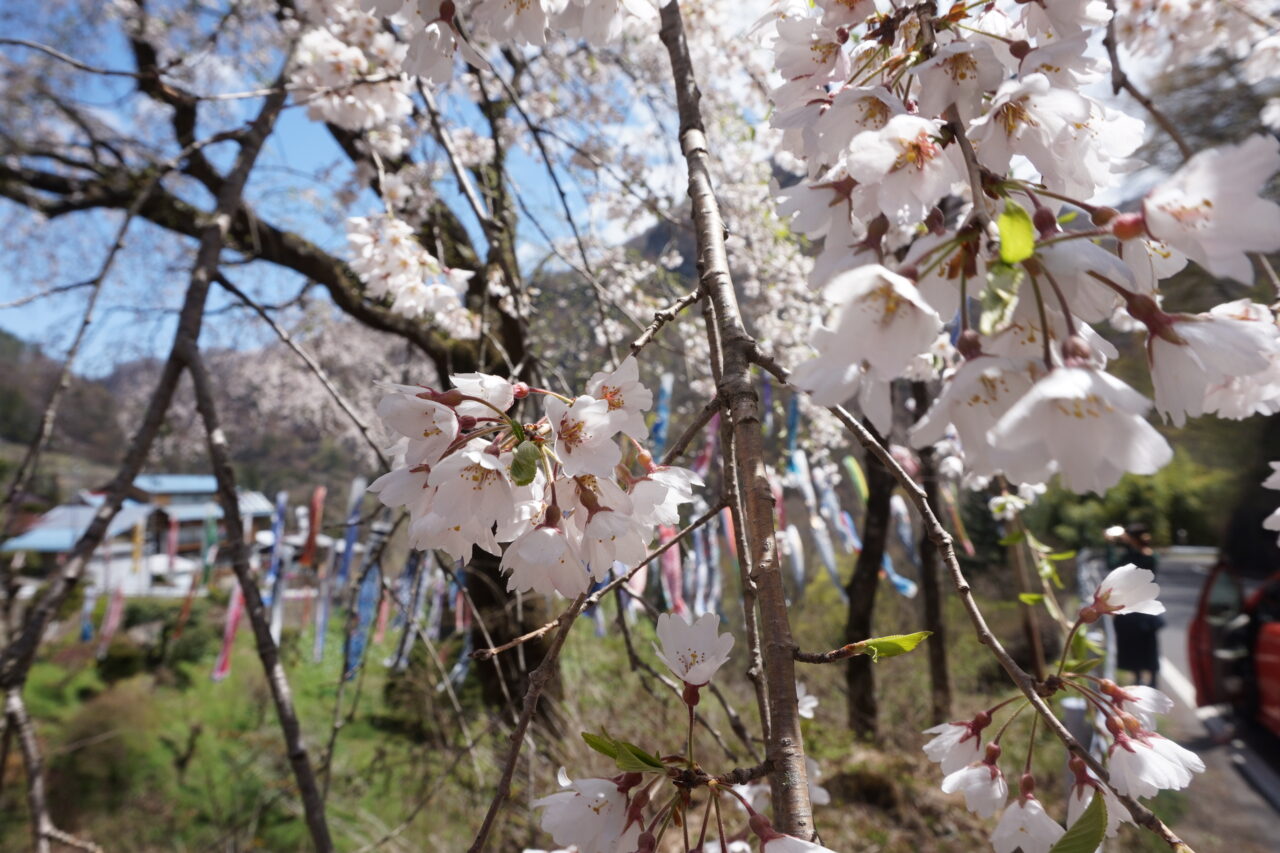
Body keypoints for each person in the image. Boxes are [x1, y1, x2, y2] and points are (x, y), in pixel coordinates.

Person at [1109, 523, 1164, 687]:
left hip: (1132, 605)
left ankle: (1138, 677)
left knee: (1132, 644)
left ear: (1132, 538)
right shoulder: (1152, 555)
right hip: (1147, 604)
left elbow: (1112, 565)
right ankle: (1153, 679)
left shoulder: (1131, 557)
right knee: (1150, 645)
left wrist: (1111, 544)